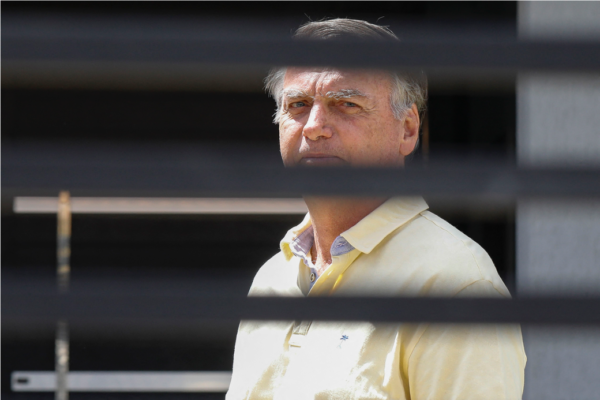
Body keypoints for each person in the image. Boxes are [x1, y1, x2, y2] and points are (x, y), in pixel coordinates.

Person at [226, 18, 526, 400]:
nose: (314, 126)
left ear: (408, 130)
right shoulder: (272, 279)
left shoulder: (455, 286)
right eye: (298, 105)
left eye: (346, 105)